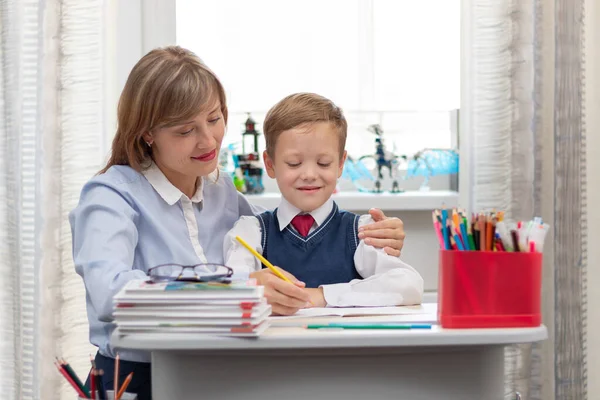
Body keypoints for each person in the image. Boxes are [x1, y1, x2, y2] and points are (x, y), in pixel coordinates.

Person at [69, 46, 407, 400]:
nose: (208, 140)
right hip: (141, 377)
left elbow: (285, 220)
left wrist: (370, 232)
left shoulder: (219, 188)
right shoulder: (110, 195)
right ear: (147, 133)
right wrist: (237, 291)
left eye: (214, 119)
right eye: (186, 130)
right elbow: (110, 294)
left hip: (216, 374)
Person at [224, 93, 423, 313]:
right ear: (270, 165)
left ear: (340, 164)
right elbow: (232, 287)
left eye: (323, 163)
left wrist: (321, 296)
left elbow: (409, 285)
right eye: (294, 163)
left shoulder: (360, 231)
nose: (309, 174)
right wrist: (252, 287)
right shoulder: (250, 231)